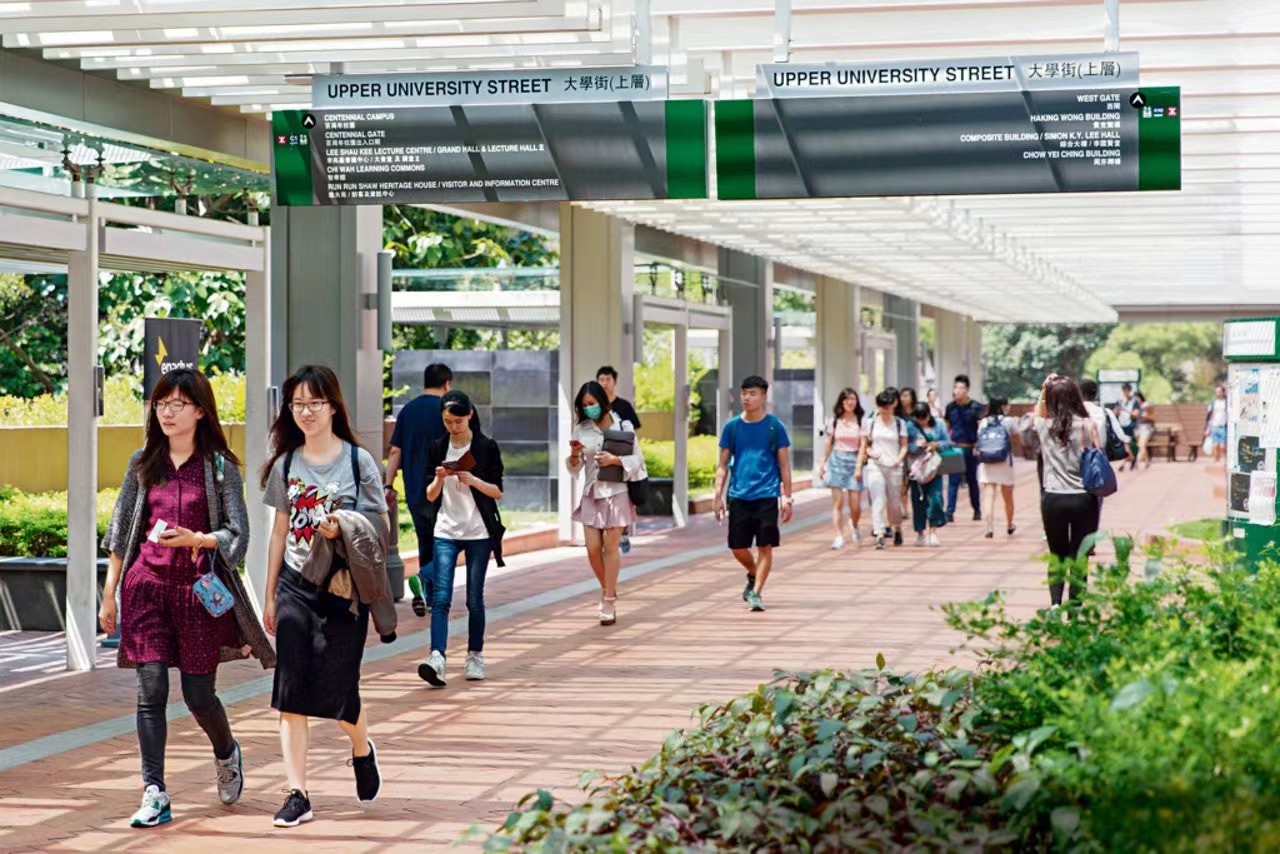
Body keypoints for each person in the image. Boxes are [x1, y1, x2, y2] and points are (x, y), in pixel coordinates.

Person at [100, 369, 274, 829]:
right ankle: (154, 790)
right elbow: (121, 533)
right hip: (147, 590)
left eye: (178, 404)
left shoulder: (219, 467)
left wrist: (200, 538)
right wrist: (109, 595)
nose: (167, 412)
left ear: (200, 410)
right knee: (151, 688)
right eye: (161, 404)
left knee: (199, 696)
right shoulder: (143, 463)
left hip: (197, 594)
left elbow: (239, 534)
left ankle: (226, 752)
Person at [261, 365, 391, 828]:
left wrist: (344, 526)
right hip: (297, 586)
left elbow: (381, 525)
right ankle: (297, 793)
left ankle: (361, 746)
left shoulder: (359, 462)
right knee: (291, 694)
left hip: (342, 592)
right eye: (297, 404)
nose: (306, 412)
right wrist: (270, 594)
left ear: (333, 406)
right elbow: (278, 532)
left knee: (339, 692)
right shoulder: (285, 464)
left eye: (315, 403)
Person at [418, 390, 506, 687]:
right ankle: (437, 657)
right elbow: (429, 496)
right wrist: (440, 478)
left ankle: (474, 655)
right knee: (441, 598)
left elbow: (498, 492)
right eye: (447, 421)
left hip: (478, 532)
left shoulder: (485, 447)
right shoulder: (438, 447)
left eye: (457, 421)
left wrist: (473, 480)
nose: (453, 427)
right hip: (446, 529)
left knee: (473, 599)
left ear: (470, 415)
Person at [713, 375, 794, 612]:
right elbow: (722, 465)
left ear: (764, 396)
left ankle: (756, 593)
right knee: (737, 547)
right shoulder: (732, 427)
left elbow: (784, 466)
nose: (747, 398)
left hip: (767, 495)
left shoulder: (774, 427)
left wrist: (787, 498)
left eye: (753, 394)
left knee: (765, 547)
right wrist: (717, 496)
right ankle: (753, 572)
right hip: (739, 495)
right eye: (744, 393)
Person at [567, 380, 642, 623]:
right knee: (591, 549)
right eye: (585, 405)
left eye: (592, 403)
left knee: (611, 548)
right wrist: (575, 454)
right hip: (591, 492)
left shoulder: (623, 425)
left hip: (617, 492)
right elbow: (574, 468)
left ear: (603, 402)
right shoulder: (582, 430)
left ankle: (608, 600)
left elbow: (638, 460)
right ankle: (608, 589)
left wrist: (614, 460)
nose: (589, 408)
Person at [385, 363, 451, 618]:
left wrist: (388, 485)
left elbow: (395, 451)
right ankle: (425, 581)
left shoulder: (408, 411)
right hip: (443, 489)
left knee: (426, 542)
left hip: (414, 491)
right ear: (447, 383)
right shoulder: (449, 410)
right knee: (446, 543)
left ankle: (429, 594)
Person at [1035, 374, 1103, 608]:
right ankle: (1076, 608)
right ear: (1076, 397)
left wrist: (1045, 389)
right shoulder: (1088, 424)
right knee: (1080, 555)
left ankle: (1055, 604)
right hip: (1084, 498)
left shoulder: (1044, 426)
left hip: (1053, 497)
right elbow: (1098, 454)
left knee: (1057, 554)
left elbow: (1039, 412)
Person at [597, 365, 642, 554]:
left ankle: (622, 532)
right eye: (601, 380)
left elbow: (635, 435)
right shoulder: (595, 408)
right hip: (601, 461)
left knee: (624, 497)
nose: (604, 384)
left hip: (622, 461)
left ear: (614, 382)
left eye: (608, 380)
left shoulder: (623, 407)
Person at [859, 389, 908, 550]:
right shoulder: (870, 422)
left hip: (894, 467)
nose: (885, 411)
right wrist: (869, 453)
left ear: (894, 405)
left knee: (894, 503)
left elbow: (904, 446)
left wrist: (898, 460)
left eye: (888, 408)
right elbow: (864, 445)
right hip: (876, 466)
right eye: (882, 408)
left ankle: (897, 528)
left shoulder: (900, 423)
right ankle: (879, 533)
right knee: (878, 500)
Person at [818, 387, 866, 549]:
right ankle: (838, 535)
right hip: (836, 460)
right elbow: (828, 443)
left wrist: (859, 467)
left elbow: (863, 446)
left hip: (854, 460)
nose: (849, 402)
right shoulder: (834, 421)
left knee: (855, 504)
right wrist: (822, 463)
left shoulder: (861, 421)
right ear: (841, 402)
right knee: (837, 503)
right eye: (846, 399)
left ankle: (854, 522)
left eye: (852, 399)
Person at [976, 396, 1020, 539]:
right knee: (1008, 496)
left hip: (987, 462)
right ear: (1002, 406)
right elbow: (1016, 438)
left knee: (988, 496)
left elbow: (979, 441)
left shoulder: (983, 422)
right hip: (1004, 460)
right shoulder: (1008, 421)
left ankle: (989, 527)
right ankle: (1009, 524)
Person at [906, 402, 950, 547]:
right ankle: (920, 532)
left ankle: (933, 532)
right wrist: (917, 445)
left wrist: (936, 444)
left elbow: (947, 442)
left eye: (924, 418)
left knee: (936, 498)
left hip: (934, 467)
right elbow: (905, 446)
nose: (922, 421)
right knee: (918, 501)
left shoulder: (939, 424)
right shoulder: (910, 426)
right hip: (916, 469)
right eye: (918, 418)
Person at [944, 374, 985, 523]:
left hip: (970, 449)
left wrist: (978, 445)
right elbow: (947, 426)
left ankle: (977, 509)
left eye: (961, 388)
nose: (957, 391)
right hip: (955, 448)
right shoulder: (950, 407)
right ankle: (949, 512)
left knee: (972, 480)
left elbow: (981, 428)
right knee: (953, 481)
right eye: (956, 387)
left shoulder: (975, 407)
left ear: (967, 390)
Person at [1080, 378, 1130, 467]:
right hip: (1100, 459)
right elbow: (1121, 435)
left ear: (1079, 394)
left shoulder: (1074, 412)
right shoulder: (1105, 412)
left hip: (1079, 459)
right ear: (1096, 394)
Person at [895, 387, 919, 517]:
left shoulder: (917, 413)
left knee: (915, 479)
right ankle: (904, 508)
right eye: (902, 396)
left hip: (916, 450)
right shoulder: (897, 414)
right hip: (902, 449)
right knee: (903, 480)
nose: (903, 398)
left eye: (906, 396)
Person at [1204, 384, 1228, 463]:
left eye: (1219, 392)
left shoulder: (1226, 403)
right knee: (1215, 446)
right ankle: (1216, 462)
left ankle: (1225, 461)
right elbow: (1209, 416)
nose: (1218, 393)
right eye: (1216, 392)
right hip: (1214, 426)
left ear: (1223, 392)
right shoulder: (1213, 403)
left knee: (1222, 446)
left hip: (1223, 427)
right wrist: (1207, 428)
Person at [1132, 392, 1154, 470]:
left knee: (1142, 445)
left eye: (1136, 398)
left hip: (1146, 427)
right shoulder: (1136, 407)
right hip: (1138, 428)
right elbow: (1134, 416)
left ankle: (1138, 462)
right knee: (1140, 446)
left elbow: (1151, 416)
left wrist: (1142, 414)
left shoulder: (1146, 405)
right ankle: (1147, 462)